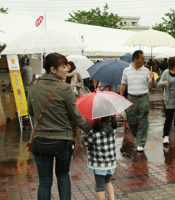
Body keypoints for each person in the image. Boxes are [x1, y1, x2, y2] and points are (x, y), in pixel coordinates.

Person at [27, 53, 92, 200]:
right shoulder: (65, 89)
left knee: (44, 182)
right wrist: (88, 126)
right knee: (63, 175)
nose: (67, 70)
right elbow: (75, 116)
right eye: (63, 67)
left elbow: (30, 111)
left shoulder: (33, 86)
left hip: (40, 140)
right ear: (53, 69)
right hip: (62, 141)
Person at [120, 50, 155, 152]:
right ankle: (138, 138)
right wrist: (121, 96)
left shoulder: (146, 70)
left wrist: (152, 79)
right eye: (142, 58)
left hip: (143, 98)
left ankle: (141, 143)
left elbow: (152, 85)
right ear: (135, 59)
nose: (144, 60)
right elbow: (123, 84)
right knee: (131, 121)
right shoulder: (126, 70)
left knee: (143, 121)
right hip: (131, 98)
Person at [82, 116, 117, 200]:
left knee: (100, 187)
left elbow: (85, 143)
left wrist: (85, 132)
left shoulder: (94, 132)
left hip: (99, 165)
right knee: (108, 182)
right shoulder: (112, 130)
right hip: (110, 163)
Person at [157, 56, 175, 144]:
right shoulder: (166, 73)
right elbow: (158, 84)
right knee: (169, 118)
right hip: (169, 99)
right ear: (172, 64)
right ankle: (166, 136)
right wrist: (163, 83)